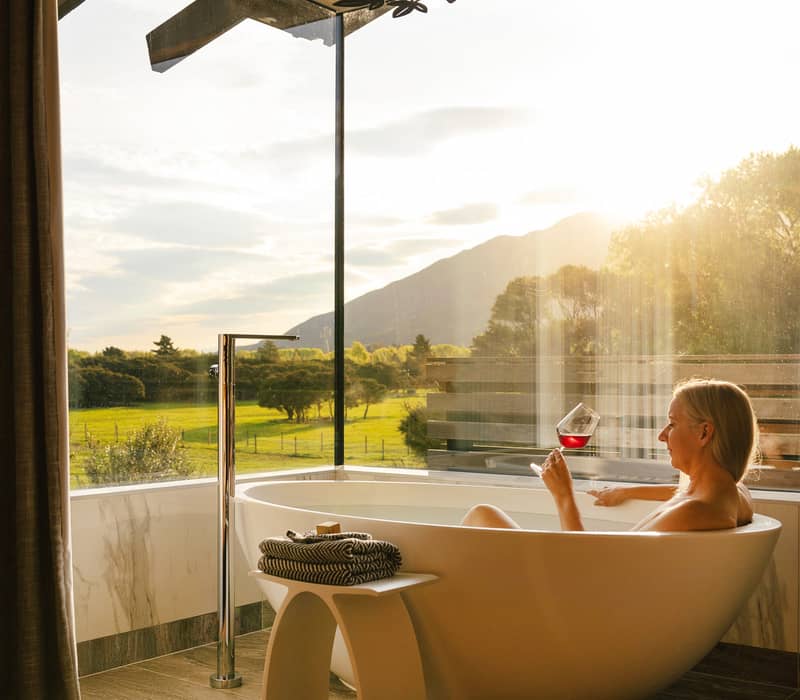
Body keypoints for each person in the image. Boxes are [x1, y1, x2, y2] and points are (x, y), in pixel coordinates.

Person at [461, 378, 757, 532]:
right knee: (484, 517)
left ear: (704, 433)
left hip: (576, 600)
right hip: (592, 586)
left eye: (673, 423)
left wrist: (563, 496)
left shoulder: (691, 514)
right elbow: (690, 490)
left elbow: (591, 571)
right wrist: (627, 491)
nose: (662, 435)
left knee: (482, 515)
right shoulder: (734, 496)